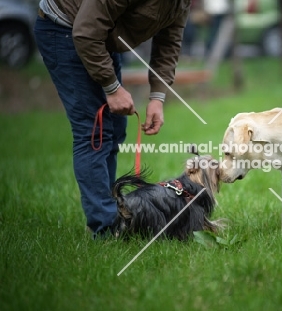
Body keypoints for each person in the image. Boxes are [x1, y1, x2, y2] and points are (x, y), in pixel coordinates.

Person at [33, 0, 190, 239]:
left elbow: (169, 40)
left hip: (102, 39)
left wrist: (157, 97)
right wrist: (112, 87)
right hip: (66, 29)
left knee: (115, 130)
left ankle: (113, 217)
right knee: (93, 133)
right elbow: (85, 32)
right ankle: (106, 229)